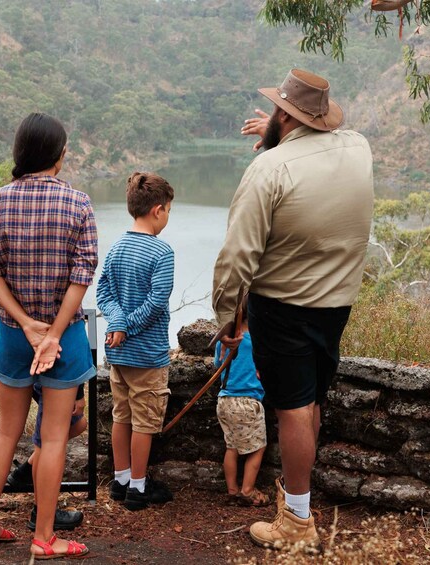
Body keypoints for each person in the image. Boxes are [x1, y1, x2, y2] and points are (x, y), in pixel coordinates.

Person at [212, 69, 374, 550]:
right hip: (336, 302)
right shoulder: (358, 149)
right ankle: (298, 504)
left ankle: (297, 524)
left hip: (283, 305)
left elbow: (238, 256)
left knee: (292, 408)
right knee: (311, 401)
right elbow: (319, 151)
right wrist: (281, 134)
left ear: (284, 115)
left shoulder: (268, 170)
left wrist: (227, 317)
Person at [0, 113, 97, 559]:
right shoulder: (78, 204)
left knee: (6, 433)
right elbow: (82, 275)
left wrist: (24, 323)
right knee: (55, 436)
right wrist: (53, 333)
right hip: (65, 341)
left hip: (11, 336)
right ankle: (44, 537)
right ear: (59, 156)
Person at [96, 172, 175, 511]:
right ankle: (138, 489)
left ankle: (121, 479)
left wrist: (118, 322)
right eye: (169, 209)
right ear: (157, 210)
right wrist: (127, 325)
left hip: (119, 353)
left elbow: (103, 291)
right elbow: (157, 302)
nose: (168, 216)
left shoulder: (117, 247)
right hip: (147, 354)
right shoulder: (162, 252)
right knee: (144, 421)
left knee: (122, 416)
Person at [6, 383, 88, 531]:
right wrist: (79, 394)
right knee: (49, 442)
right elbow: (71, 360)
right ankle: (43, 515)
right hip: (55, 376)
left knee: (78, 424)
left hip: (28, 370)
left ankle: (25, 472)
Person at [214, 297, 269, 507]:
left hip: (225, 399)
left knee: (232, 447)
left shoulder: (225, 338)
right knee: (258, 448)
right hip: (247, 401)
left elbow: (218, 364)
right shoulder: (258, 341)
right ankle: (247, 490)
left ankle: (232, 490)